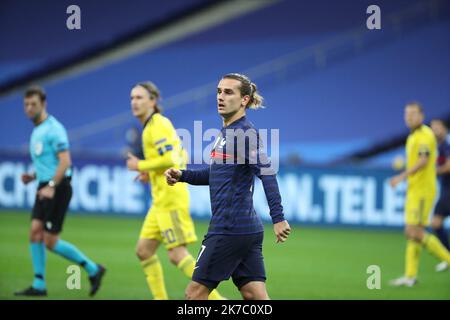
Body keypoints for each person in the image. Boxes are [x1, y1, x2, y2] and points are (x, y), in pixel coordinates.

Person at [165, 73, 291, 300]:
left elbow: (267, 173)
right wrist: (182, 175)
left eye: (228, 92)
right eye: (219, 91)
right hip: (247, 230)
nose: (220, 97)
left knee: (193, 296)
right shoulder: (228, 132)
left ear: (244, 100)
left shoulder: (244, 133)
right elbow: (215, 175)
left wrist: (278, 217)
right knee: (255, 296)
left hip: (229, 229)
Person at [126, 82, 224, 300]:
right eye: (132, 98)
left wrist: (140, 165)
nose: (134, 102)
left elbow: (170, 158)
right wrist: (150, 173)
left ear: (153, 101)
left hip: (170, 199)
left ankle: (218, 301)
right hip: (159, 201)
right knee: (144, 251)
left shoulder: (158, 125)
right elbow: (180, 155)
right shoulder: (151, 126)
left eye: (140, 97)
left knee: (176, 254)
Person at [15, 86, 106, 297]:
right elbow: (49, 163)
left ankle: (93, 269)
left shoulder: (54, 129)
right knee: (34, 232)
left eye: (33, 104)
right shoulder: (37, 130)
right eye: (26, 104)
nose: (29, 108)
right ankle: (39, 285)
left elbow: (65, 162)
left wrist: (51, 186)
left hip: (58, 188)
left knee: (50, 241)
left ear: (43, 104)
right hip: (45, 186)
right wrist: (33, 176)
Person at [389, 102, 450, 287]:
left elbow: (423, 161)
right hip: (415, 189)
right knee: (412, 232)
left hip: (423, 191)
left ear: (421, 116)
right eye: (407, 114)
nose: (409, 117)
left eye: (413, 114)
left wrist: (401, 176)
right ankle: (410, 276)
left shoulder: (424, 135)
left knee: (414, 231)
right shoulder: (414, 136)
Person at [430, 118, 450, 272]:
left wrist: (430, 172)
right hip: (446, 189)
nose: (434, 130)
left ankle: (447, 256)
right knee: (436, 223)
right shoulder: (439, 145)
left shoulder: (448, 143)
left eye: (437, 127)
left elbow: (449, 166)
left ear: (444, 128)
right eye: (432, 127)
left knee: (436, 223)